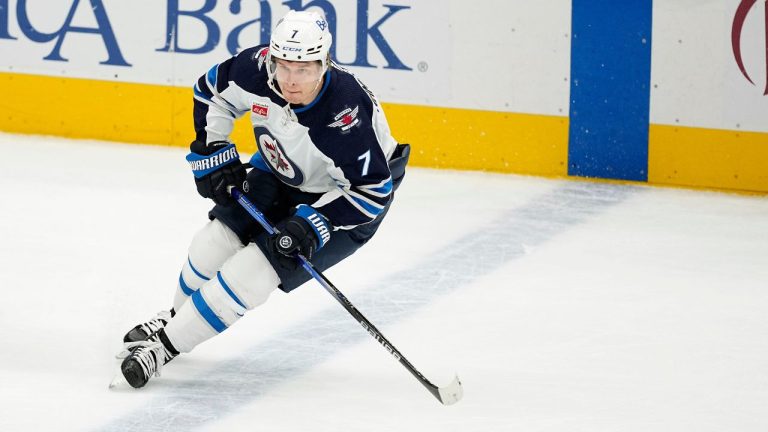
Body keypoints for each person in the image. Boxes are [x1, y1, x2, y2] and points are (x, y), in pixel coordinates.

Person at [116, 9, 410, 388]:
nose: (290, 80)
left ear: (324, 64)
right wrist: (213, 150)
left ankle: (163, 349)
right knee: (215, 239)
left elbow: (372, 192)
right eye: (284, 65)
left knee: (256, 269)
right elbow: (210, 92)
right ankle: (175, 316)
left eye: (303, 69)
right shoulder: (255, 69)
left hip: (347, 200)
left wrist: (312, 223)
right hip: (282, 168)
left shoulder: (345, 115)